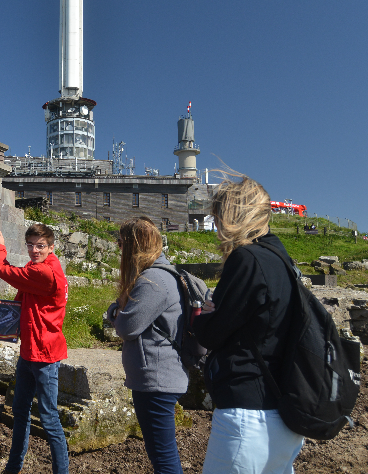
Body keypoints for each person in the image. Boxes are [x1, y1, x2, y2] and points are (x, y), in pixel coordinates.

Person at [193, 175, 304, 474]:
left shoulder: (246, 259)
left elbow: (213, 334)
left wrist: (202, 315)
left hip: (248, 413)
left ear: (232, 216)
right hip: (283, 411)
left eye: (218, 217)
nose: (216, 227)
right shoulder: (282, 260)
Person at [105, 217, 193, 474]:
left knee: (164, 458)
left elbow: (126, 326)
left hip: (156, 379)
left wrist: (113, 311)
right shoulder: (158, 276)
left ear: (133, 245)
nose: (119, 248)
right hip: (157, 376)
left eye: (121, 242)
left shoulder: (153, 280)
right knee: (161, 455)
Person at [0, 224, 69, 474]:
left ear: (51, 247)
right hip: (30, 350)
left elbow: (2, 269)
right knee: (20, 410)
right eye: (30, 245)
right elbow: (22, 293)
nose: (34, 250)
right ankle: (13, 468)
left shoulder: (45, 273)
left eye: (40, 246)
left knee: (49, 418)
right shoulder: (41, 267)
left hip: (44, 354)